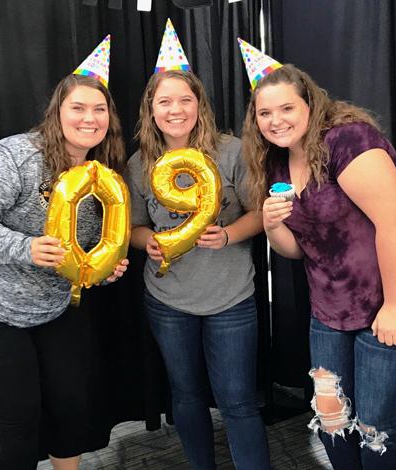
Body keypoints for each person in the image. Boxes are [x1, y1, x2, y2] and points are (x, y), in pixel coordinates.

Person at [238, 39, 396, 470]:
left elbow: (394, 223)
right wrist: (272, 223)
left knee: (373, 424)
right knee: (330, 414)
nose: (275, 120)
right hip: (329, 306)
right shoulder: (275, 164)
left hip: (391, 293)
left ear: (309, 103)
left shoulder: (348, 141)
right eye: (265, 113)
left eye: (286, 108)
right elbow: (294, 250)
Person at [0, 36, 128, 470]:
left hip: (53, 307)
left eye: (99, 109)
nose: (89, 118)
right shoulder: (15, 155)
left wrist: (102, 271)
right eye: (78, 108)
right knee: (20, 418)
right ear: (57, 112)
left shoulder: (105, 176)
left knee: (71, 406)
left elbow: (89, 251)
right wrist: (26, 247)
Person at [125, 21, 270, 470]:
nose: (175, 110)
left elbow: (261, 213)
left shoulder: (232, 151)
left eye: (184, 100)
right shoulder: (138, 164)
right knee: (185, 395)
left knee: (238, 401)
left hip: (231, 299)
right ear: (151, 109)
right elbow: (131, 228)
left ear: (199, 105)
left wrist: (227, 234)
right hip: (168, 300)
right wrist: (149, 242)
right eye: (164, 101)